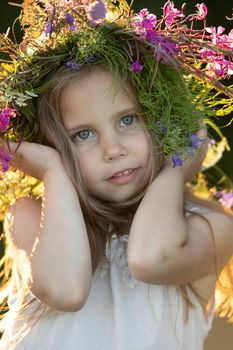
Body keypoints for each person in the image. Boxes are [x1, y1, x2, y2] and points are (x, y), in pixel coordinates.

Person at [0, 1, 232, 349]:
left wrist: (177, 164)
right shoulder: (32, 215)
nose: (113, 149)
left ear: (162, 120)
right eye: (83, 134)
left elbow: (150, 258)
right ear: (52, 145)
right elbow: (67, 290)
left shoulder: (210, 227)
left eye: (128, 119)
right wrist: (53, 172)